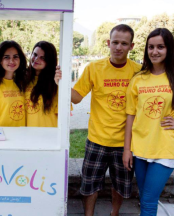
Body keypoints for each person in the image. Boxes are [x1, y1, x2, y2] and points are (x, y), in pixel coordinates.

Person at [55, 24, 141, 216]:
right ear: (108, 43)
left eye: (124, 43)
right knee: (90, 184)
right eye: (115, 42)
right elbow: (77, 97)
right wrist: (60, 83)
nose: (118, 47)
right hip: (97, 139)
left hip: (125, 142)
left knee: (120, 185)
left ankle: (114, 213)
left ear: (131, 46)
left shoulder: (138, 71)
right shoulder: (94, 68)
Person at [123, 28, 174, 216]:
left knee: (149, 202)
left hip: (164, 150)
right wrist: (127, 149)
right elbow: (130, 116)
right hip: (140, 149)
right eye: (151, 47)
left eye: (160, 47)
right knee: (144, 198)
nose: (155, 51)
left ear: (169, 49)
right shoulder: (138, 79)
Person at [25, 41, 58, 127]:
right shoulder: (22, 79)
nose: (36, 59)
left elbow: (62, 115)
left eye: (42, 58)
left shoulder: (55, 83)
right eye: (35, 54)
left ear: (49, 61)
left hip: (48, 135)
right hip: (25, 135)